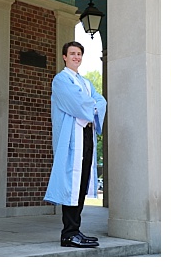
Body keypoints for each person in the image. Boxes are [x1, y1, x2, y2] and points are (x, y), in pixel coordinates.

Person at [44, 41, 107, 248]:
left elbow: (101, 101)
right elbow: (77, 103)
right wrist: (90, 107)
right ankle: (68, 233)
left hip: (86, 136)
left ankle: (75, 230)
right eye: (72, 53)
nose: (76, 57)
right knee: (72, 183)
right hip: (72, 139)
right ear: (64, 57)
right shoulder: (61, 80)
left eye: (79, 54)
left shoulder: (86, 83)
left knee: (80, 185)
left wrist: (90, 106)